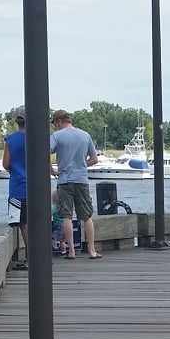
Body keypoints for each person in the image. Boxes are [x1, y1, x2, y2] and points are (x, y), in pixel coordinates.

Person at [49, 110, 101, 259]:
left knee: (66, 216)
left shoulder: (57, 136)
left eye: (55, 124)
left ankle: (71, 251)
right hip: (82, 180)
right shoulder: (85, 135)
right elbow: (94, 159)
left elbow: (44, 151)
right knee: (87, 216)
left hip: (65, 181)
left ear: (59, 121)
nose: (55, 127)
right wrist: (82, 165)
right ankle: (92, 250)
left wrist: (51, 169)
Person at [1, 108, 29, 271]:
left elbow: (5, 164)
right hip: (37, 188)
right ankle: (40, 256)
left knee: (22, 224)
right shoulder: (38, 138)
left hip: (18, 187)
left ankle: (30, 257)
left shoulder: (10, 139)